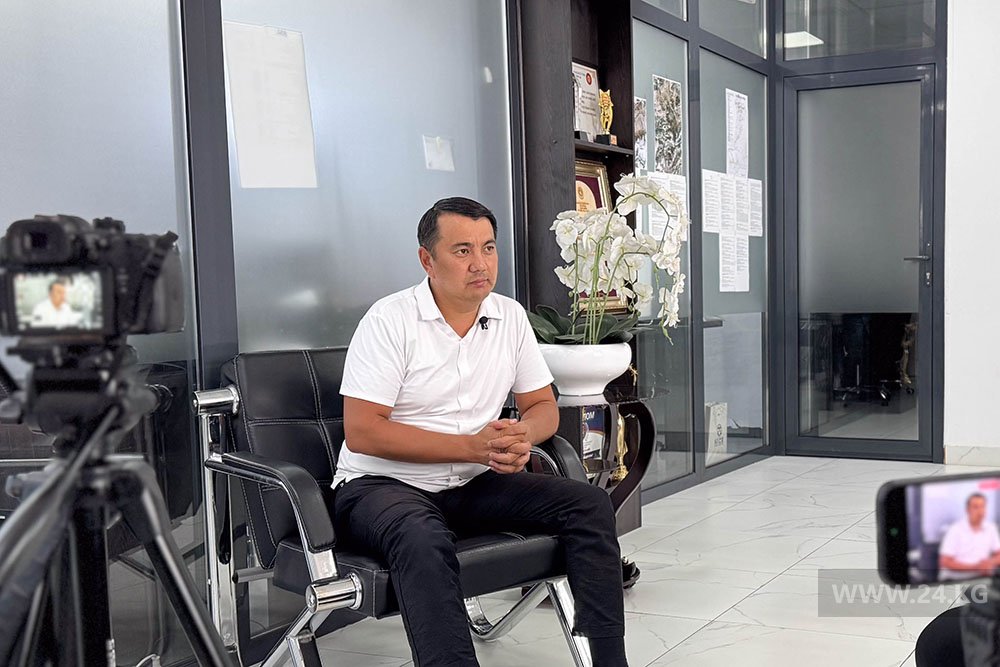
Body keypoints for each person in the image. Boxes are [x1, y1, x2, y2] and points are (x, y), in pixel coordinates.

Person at [332, 197, 627, 666]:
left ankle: (609, 660)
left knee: (588, 503)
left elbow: (542, 406)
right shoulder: (389, 321)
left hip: (472, 483)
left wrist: (523, 435)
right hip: (382, 486)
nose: (480, 264)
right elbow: (363, 432)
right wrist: (470, 447)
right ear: (427, 260)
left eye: (488, 248)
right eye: (462, 250)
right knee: (421, 536)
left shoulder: (509, 317)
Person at [938, 493, 1000, 580]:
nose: (980, 511)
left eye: (983, 506)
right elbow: (945, 562)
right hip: (955, 579)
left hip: (982, 578)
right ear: (968, 510)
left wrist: (990, 563)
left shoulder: (991, 528)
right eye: (976, 507)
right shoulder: (955, 530)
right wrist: (976, 568)